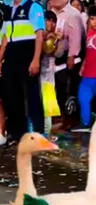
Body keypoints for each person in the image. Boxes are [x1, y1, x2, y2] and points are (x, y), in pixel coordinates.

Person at [1, 0, 46, 142]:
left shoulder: (33, 7)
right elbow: (6, 36)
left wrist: (36, 59)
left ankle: (38, 132)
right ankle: (17, 134)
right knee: (12, 97)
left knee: (32, 96)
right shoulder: (8, 8)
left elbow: (39, 34)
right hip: (11, 55)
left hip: (27, 54)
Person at [49, 0, 85, 129]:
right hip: (51, 59)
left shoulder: (73, 14)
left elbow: (77, 38)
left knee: (68, 90)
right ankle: (56, 117)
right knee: (56, 90)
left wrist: (72, 55)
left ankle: (69, 119)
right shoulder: (50, 12)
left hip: (69, 60)